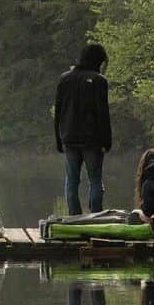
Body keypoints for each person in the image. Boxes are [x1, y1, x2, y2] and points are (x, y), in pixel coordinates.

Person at [54, 43, 112, 215]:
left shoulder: (64, 79)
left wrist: (58, 139)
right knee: (95, 180)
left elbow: (58, 112)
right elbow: (102, 114)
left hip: (69, 138)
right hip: (92, 140)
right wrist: (106, 141)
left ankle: (74, 218)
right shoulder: (99, 81)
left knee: (71, 181)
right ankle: (96, 217)